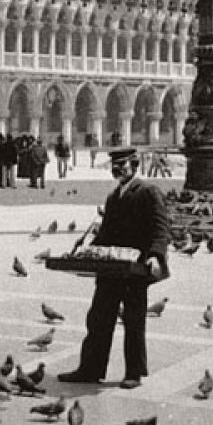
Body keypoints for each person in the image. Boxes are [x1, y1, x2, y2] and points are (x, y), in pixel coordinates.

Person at [60, 147, 170, 389]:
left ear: (135, 165)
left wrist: (155, 256)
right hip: (112, 267)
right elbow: (106, 234)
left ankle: (134, 373)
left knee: (133, 320)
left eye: (122, 165)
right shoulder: (113, 197)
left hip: (135, 267)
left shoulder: (148, 191)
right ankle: (90, 369)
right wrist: (85, 252)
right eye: (114, 166)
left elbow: (160, 228)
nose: (117, 170)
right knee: (98, 317)